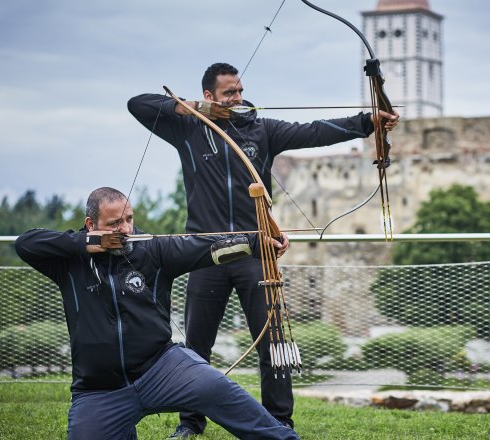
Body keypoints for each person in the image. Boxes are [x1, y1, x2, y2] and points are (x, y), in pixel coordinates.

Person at [128, 62, 399, 437]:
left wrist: (368, 122)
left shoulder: (261, 129)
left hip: (256, 252)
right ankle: (191, 422)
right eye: (228, 94)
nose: (238, 98)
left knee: (273, 343)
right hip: (204, 253)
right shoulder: (189, 128)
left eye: (239, 91)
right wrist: (196, 110)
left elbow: (316, 131)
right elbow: (137, 104)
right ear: (209, 96)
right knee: (196, 349)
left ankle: (279, 419)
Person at [15, 186, 298, 440]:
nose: (126, 229)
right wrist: (85, 244)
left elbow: (208, 247)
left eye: (129, 219)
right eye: (115, 223)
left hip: (162, 368)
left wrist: (256, 243)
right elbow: (25, 244)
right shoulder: (70, 262)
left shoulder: (151, 248)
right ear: (91, 224)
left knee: (218, 389)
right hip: (99, 390)